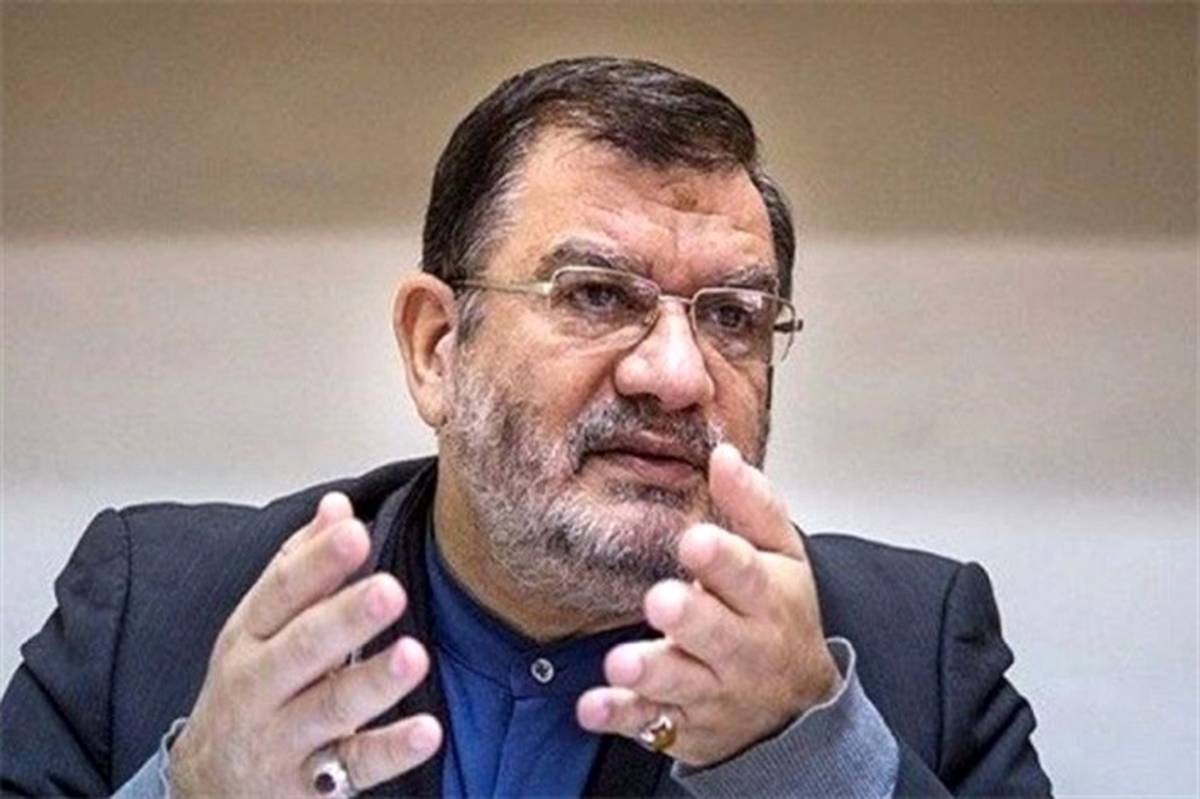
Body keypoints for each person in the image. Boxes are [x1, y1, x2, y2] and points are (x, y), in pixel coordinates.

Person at [0, 56, 1051, 797]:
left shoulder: (913, 653)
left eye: (733, 315)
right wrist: (191, 792)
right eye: (596, 293)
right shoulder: (153, 615)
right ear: (435, 347)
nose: (677, 374)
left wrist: (807, 759)